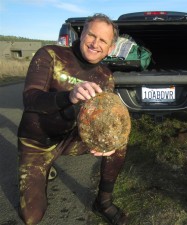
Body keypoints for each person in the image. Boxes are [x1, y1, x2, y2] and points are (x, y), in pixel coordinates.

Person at [17, 13, 128, 225]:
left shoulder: (106, 77)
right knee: (31, 217)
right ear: (81, 34)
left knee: (118, 142)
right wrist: (68, 96)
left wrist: (104, 142)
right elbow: (30, 99)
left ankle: (103, 202)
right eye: (91, 35)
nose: (95, 43)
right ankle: (42, 168)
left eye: (103, 40)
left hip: (71, 138)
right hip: (37, 141)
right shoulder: (50, 54)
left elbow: (101, 118)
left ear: (110, 48)